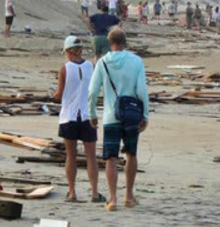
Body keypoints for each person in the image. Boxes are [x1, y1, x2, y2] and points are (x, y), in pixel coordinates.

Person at [87, 26, 149, 211]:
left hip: (110, 115)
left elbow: (92, 91)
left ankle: (113, 199)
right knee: (131, 154)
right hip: (131, 115)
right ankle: (129, 196)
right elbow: (142, 91)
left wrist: (92, 114)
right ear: (124, 42)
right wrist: (145, 114)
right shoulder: (136, 61)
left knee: (111, 157)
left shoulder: (102, 63)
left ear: (109, 43)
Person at [51, 35, 102, 203]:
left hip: (70, 116)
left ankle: (72, 191)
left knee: (70, 155)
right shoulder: (91, 66)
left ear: (68, 51)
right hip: (88, 115)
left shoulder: (64, 69)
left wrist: (52, 95)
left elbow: (59, 95)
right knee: (91, 156)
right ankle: (94, 192)